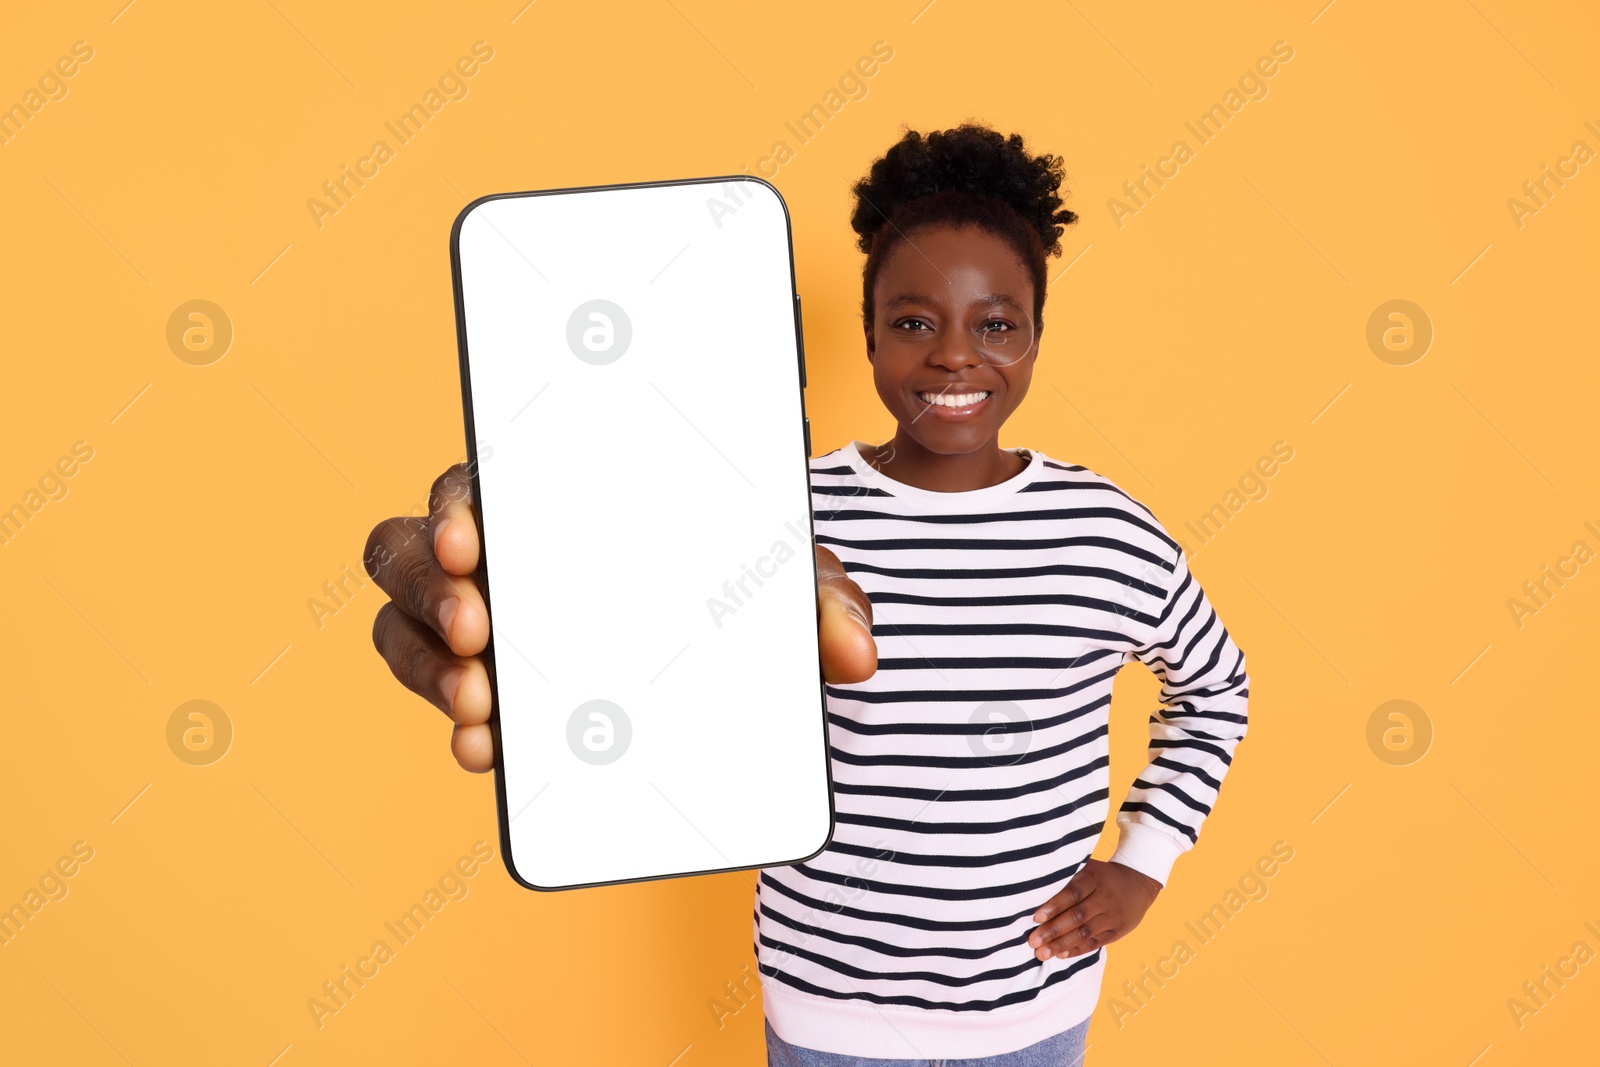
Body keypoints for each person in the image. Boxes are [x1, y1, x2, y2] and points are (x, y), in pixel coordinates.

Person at [364, 122, 1250, 1066]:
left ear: (1036, 335)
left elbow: (1217, 690)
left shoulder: (1104, 530)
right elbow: (666, 664)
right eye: (915, 322)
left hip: (1031, 1008)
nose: (957, 356)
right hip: (824, 1000)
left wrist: (1143, 865)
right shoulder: (779, 508)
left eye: (997, 324)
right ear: (868, 333)